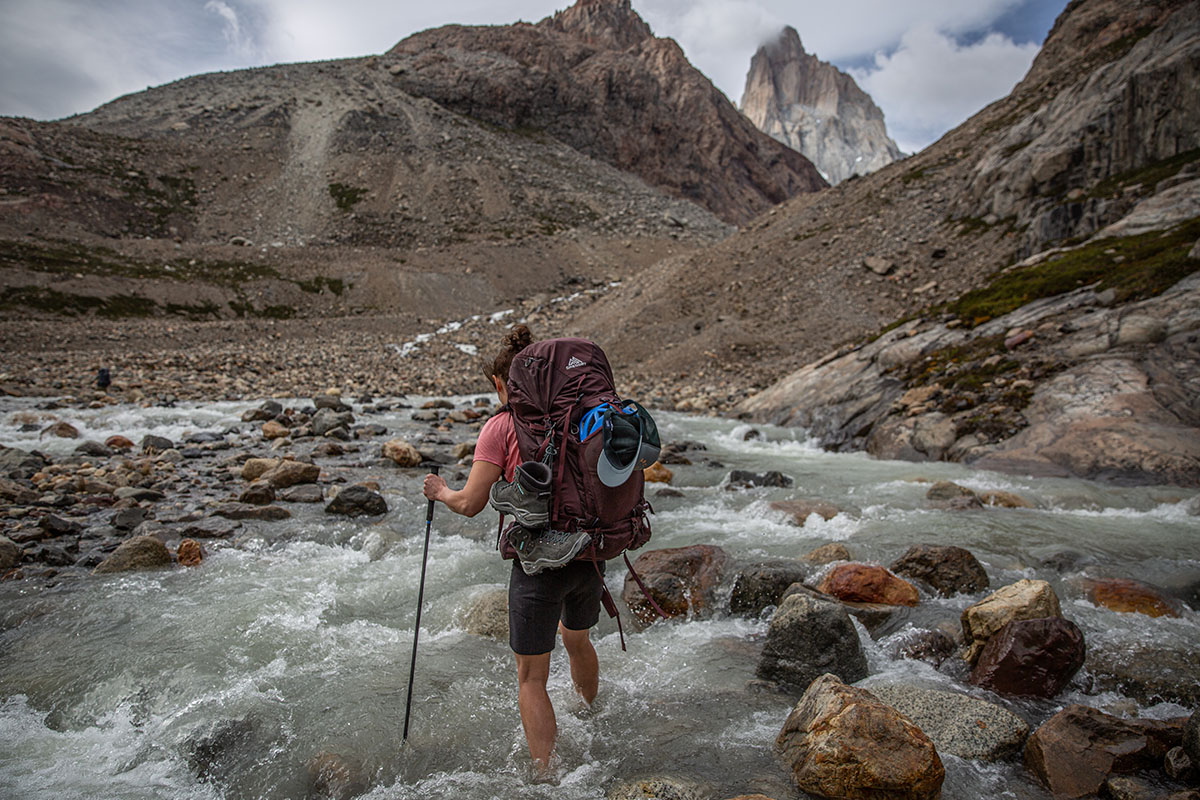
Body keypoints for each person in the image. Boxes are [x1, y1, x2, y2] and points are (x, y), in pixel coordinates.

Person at [422, 325, 604, 773]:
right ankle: (591, 714)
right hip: (590, 553)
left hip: (539, 562)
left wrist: (441, 491)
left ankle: (546, 775)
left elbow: (469, 504)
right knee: (576, 639)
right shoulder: (583, 414)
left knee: (531, 677)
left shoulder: (502, 426)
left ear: (505, 383)